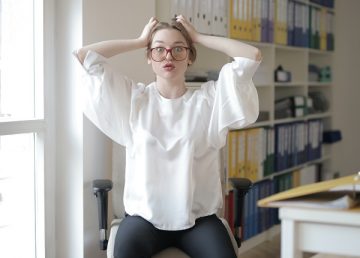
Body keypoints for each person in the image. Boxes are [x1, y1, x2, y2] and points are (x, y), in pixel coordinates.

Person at [75, 15, 261, 258]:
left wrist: (199, 37)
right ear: (149, 57)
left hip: (198, 220)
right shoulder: (133, 100)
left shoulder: (210, 101)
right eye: (159, 50)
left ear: (190, 57)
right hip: (144, 220)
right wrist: (139, 40)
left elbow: (251, 57)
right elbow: (84, 56)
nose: (168, 56)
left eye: (178, 49)